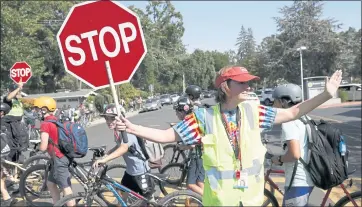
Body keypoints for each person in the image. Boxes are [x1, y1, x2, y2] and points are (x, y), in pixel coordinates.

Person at [114, 66, 342, 206]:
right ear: (225, 86)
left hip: (251, 201)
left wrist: (325, 95)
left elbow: (293, 112)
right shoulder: (203, 117)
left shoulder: (255, 112)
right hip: (220, 203)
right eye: (242, 82)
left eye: (250, 82)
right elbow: (166, 136)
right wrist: (132, 127)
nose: (249, 86)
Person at [92, 104, 154, 200]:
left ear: (121, 118)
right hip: (130, 172)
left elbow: (123, 148)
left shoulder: (126, 132)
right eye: (106, 119)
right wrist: (107, 154)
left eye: (112, 118)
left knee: (148, 200)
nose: (109, 122)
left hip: (140, 172)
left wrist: (105, 160)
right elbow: (119, 145)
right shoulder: (117, 131)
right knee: (123, 194)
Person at [271, 84, 314, 206]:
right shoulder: (305, 118)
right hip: (308, 177)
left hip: (298, 181)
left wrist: (279, 159)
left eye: (275, 101)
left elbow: (295, 154)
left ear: (283, 102)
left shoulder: (289, 122)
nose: (273, 105)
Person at [34, 97, 75, 206]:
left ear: (44, 109)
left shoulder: (45, 124)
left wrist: (37, 148)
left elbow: (43, 147)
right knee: (51, 183)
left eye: (37, 109)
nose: (36, 112)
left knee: (66, 188)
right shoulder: (56, 120)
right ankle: (57, 204)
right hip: (60, 157)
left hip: (59, 158)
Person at [173, 96, 205, 196]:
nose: (176, 114)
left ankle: (212, 201)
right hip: (202, 156)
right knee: (200, 183)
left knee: (191, 185)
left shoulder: (189, 122)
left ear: (182, 111)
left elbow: (194, 144)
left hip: (197, 157)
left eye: (177, 111)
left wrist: (183, 147)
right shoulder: (195, 118)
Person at [2, 82, 28, 163]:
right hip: (10, 127)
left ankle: (17, 170)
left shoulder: (19, 101)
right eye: (16, 91)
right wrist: (18, 88)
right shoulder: (7, 99)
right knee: (11, 149)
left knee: (19, 149)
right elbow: (9, 97)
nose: (18, 93)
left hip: (19, 126)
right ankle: (8, 167)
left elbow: (21, 113)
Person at [0, 102, 17, 206]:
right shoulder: (5, 123)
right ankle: (7, 199)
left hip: (2, 153)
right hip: (6, 152)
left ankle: (7, 199)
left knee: (2, 178)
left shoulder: (3, 123)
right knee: (1, 179)